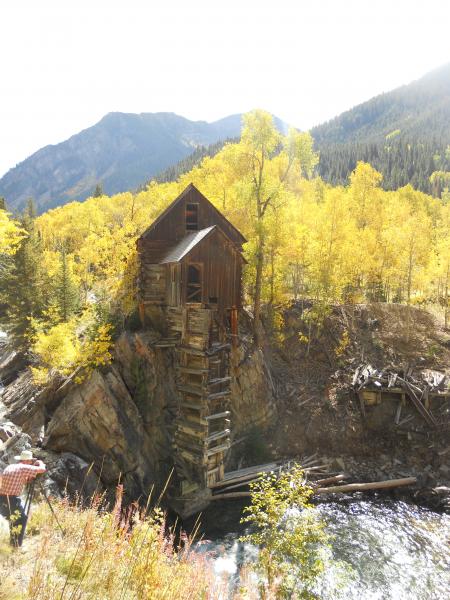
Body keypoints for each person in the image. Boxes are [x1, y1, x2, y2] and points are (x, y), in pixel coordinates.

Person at [0, 450, 46, 547]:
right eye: (30, 461)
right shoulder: (24, 467)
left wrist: (28, 479)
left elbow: (19, 481)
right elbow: (42, 469)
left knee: (13, 519)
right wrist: (40, 463)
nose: (31, 463)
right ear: (27, 461)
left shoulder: (11, 466)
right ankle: (16, 547)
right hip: (11, 499)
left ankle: (13, 543)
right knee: (22, 519)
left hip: (2, 498)